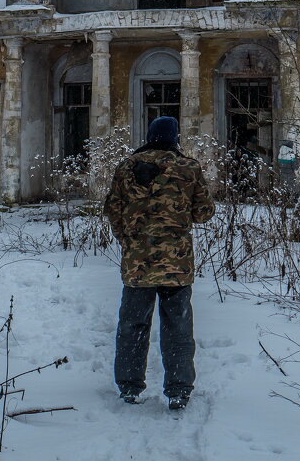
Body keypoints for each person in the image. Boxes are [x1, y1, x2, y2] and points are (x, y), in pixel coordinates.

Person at [103, 116, 216, 411]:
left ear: (150, 135)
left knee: (132, 325)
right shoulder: (188, 168)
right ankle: (178, 390)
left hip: (137, 263)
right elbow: (204, 212)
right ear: (175, 137)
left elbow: (112, 209)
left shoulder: (126, 167)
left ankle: (129, 386)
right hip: (176, 265)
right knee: (177, 326)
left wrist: (127, 238)